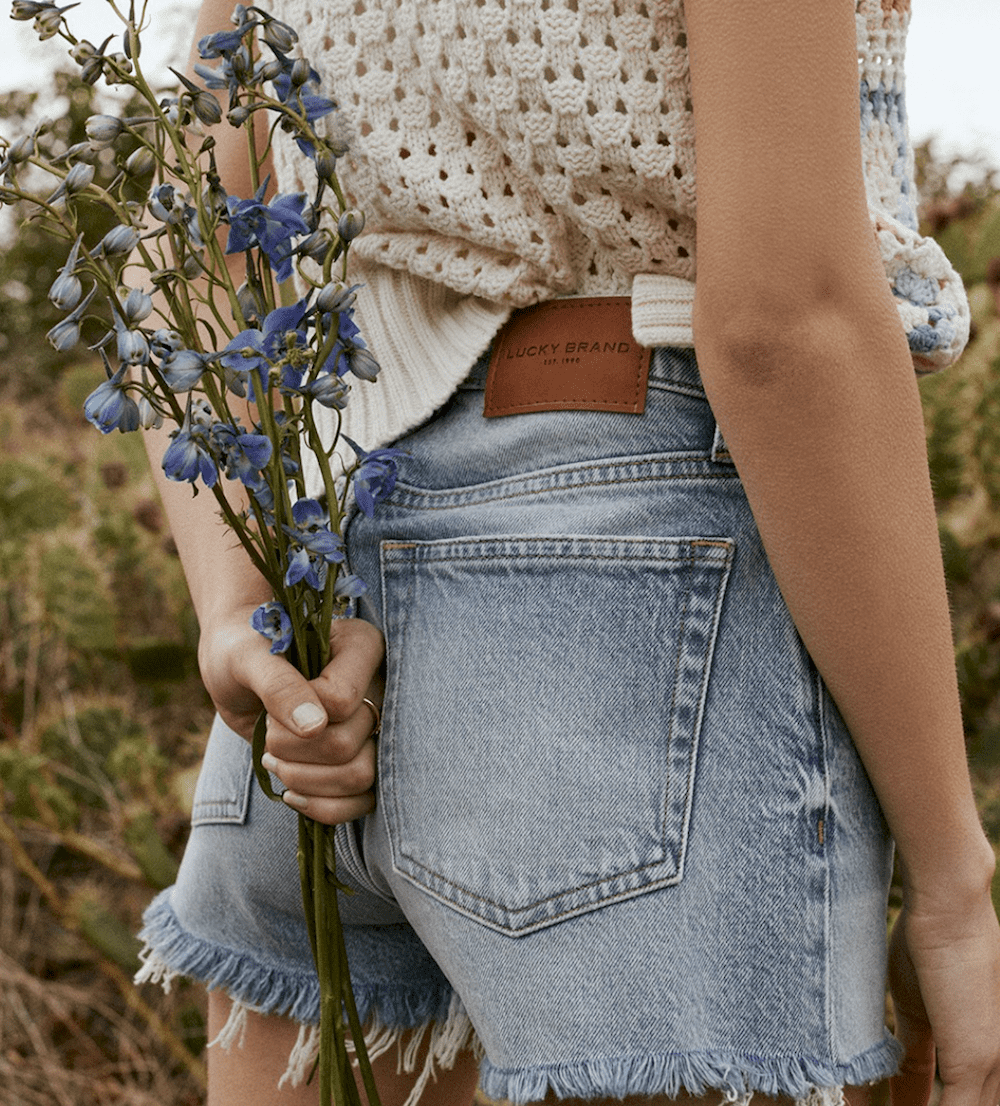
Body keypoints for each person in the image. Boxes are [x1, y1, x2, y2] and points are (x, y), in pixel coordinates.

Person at [135, 1, 1000, 1105]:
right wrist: (951, 876)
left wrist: (237, 606)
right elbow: (783, 322)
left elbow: (194, 231)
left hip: (323, 600)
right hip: (637, 614)